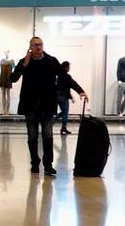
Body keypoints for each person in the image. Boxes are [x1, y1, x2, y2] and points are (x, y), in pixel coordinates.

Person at [11, 36, 74, 177]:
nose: (38, 47)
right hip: (30, 106)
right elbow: (12, 79)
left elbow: (65, 77)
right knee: (32, 137)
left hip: (47, 106)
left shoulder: (51, 61)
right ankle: (34, 163)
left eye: (40, 44)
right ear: (30, 47)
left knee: (47, 135)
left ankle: (48, 165)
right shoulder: (24, 62)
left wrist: (79, 90)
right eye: (35, 45)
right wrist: (24, 65)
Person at [55, 60, 88, 135]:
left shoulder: (58, 76)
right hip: (63, 97)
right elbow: (73, 84)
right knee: (65, 112)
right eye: (69, 67)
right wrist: (81, 92)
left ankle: (52, 120)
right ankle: (63, 127)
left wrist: (71, 97)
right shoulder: (67, 76)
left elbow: (63, 87)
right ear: (66, 68)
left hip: (56, 95)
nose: (69, 68)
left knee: (60, 112)